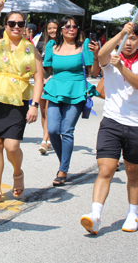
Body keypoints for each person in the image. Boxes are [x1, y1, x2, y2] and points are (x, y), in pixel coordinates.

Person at [80, 23, 138, 234]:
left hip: (136, 124)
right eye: (126, 38)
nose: (129, 43)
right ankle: (95, 215)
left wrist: (121, 66)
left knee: (133, 172)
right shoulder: (111, 56)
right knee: (106, 169)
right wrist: (121, 32)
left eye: (133, 39)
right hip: (111, 122)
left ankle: (133, 213)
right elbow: (101, 54)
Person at [0, 0, 43, 205]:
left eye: (20, 24)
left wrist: (34, 105)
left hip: (18, 100)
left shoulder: (31, 50)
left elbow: (39, 78)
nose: (16, 27)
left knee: (12, 146)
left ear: (25, 27)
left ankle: (17, 172)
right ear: (4, 26)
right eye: (11, 23)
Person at [42, 15, 92, 186]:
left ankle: (63, 169)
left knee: (67, 130)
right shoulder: (52, 46)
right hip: (55, 88)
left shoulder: (83, 46)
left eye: (74, 26)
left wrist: (97, 54)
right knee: (53, 129)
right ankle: (63, 161)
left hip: (76, 89)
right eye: (67, 26)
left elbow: (93, 71)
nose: (71, 29)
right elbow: (46, 69)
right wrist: (45, 79)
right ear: (61, 30)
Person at [36, 19, 60, 155]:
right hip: (42, 80)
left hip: (55, 80)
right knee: (43, 112)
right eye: (50, 28)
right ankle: (48, 136)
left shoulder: (62, 45)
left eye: (55, 28)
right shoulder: (41, 45)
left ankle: (45, 140)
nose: (52, 31)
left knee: (49, 110)